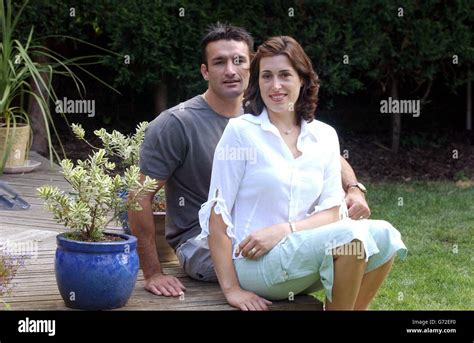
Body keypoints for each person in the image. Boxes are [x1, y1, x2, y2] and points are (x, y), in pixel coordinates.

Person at [129, 24, 371, 298]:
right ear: (205, 71)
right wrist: (152, 272)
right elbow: (139, 196)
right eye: (219, 62)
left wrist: (353, 189)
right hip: (202, 242)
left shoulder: (267, 109)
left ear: (251, 69)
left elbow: (327, 153)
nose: (231, 70)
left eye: (239, 61)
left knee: (354, 240)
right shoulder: (178, 123)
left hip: (266, 230)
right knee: (334, 248)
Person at [197, 36, 407, 310]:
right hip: (254, 264)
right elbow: (217, 216)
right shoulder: (241, 132)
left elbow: (333, 213)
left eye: (285, 75)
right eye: (266, 76)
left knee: (386, 235)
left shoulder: (325, 135)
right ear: (257, 82)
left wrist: (284, 231)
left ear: (303, 80)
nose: (275, 86)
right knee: (350, 237)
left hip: (304, 257)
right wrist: (232, 289)